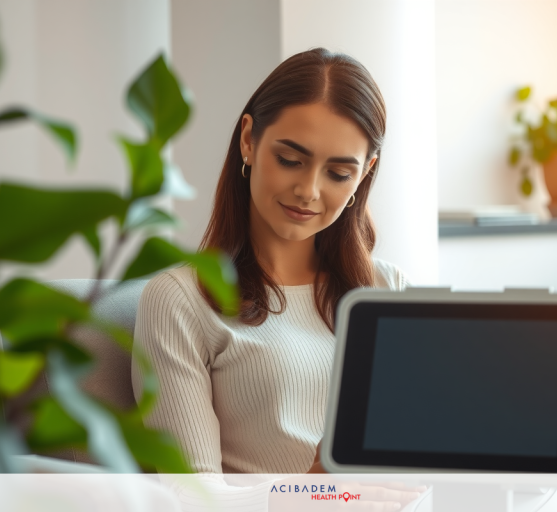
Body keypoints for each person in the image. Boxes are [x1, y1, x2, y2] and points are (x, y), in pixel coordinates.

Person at [132, 47, 421, 510]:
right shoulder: (181, 301)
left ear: (364, 174)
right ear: (249, 139)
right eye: (290, 159)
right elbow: (191, 498)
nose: (308, 191)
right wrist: (312, 491)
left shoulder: (389, 290)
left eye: (339, 172)